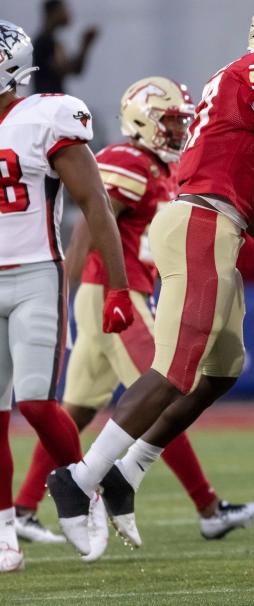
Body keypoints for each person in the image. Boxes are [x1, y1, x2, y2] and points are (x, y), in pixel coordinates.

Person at [45, 1, 254, 562]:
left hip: (217, 219)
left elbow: (242, 195)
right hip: (202, 223)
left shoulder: (244, 90)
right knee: (174, 369)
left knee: (221, 370)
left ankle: (127, 471)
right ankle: (80, 479)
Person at [12, 77, 254, 547]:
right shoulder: (127, 161)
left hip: (112, 295)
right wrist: (74, 288)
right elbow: (93, 220)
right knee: (168, 385)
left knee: (79, 410)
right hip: (114, 296)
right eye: (168, 120)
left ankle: (26, 507)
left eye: (180, 120)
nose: (177, 128)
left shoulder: (162, 168)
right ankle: (207, 507)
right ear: (140, 120)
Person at [0, 20, 133, 572]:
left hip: (34, 274)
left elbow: (96, 202)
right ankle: (5, 532)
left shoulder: (42, 117)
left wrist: (118, 285)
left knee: (34, 401)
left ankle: (83, 490)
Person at [32, 0, 98, 94]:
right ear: (53, 13)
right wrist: (85, 45)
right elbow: (67, 69)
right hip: (49, 103)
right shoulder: (44, 42)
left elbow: (74, 69)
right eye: (63, 10)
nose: (67, 14)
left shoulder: (51, 41)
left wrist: (85, 46)